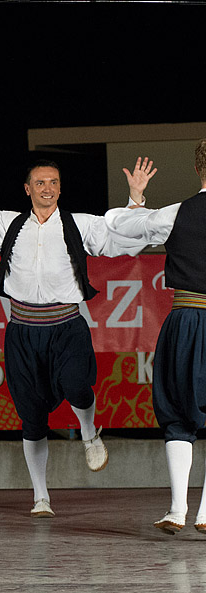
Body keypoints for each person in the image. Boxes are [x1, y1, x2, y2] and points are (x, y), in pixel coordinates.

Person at [0, 140, 155, 517]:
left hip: (67, 326)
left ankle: (87, 431)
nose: (47, 188)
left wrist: (135, 200)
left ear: (60, 189)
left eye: (53, 182)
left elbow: (118, 238)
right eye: (40, 182)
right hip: (22, 332)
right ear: (27, 189)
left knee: (79, 386)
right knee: (32, 417)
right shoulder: (9, 225)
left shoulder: (78, 225)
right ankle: (41, 497)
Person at [104, 141, 206, 535]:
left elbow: (123, 227)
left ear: (199, 169)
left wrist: (137, 198)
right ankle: (202, 513)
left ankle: (179, 509)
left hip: (185, 319)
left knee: (178, 415)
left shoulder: (176, 213)